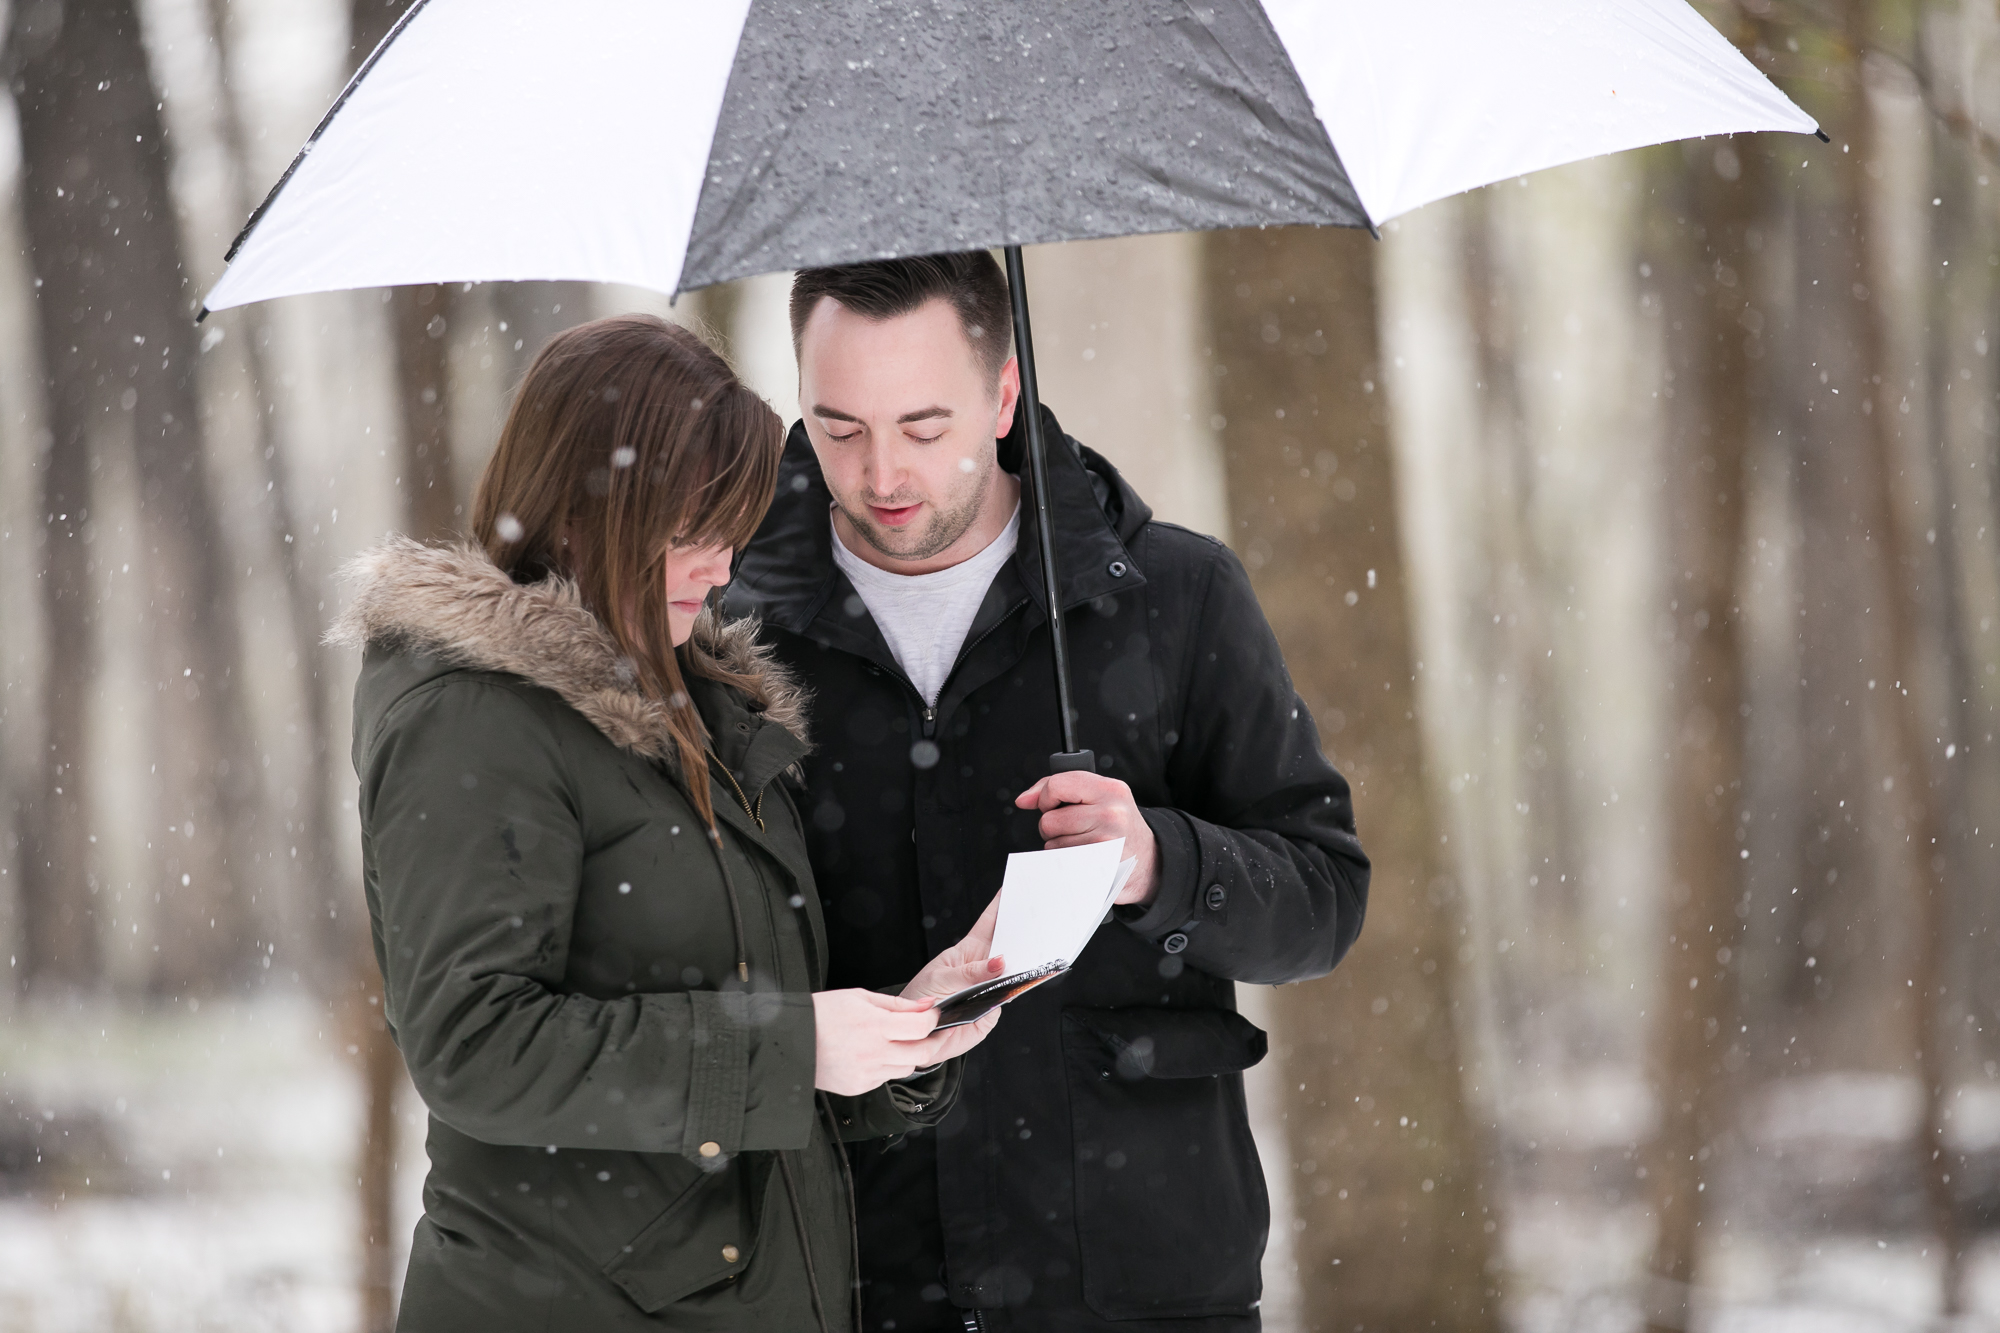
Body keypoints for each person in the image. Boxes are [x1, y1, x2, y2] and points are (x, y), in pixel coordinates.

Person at [725, 255, 1371, 1333]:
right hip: (852, 1282)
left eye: (924, 427)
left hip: (1140, 1283)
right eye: (837, 427)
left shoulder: (1175, 595)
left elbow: (1322, 902)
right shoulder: (731, 632)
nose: (881, 470)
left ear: (1004, 393)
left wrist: (1162, 861)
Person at [336, 314, 1004, 1333]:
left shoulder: (695, 709)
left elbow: (735, 1026)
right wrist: (790, 1048)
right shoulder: (474, 717)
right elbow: (474, 1044)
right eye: (690, 528)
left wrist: (892, 1037)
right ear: (584, 505)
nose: (720, 564)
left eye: (731, 529)